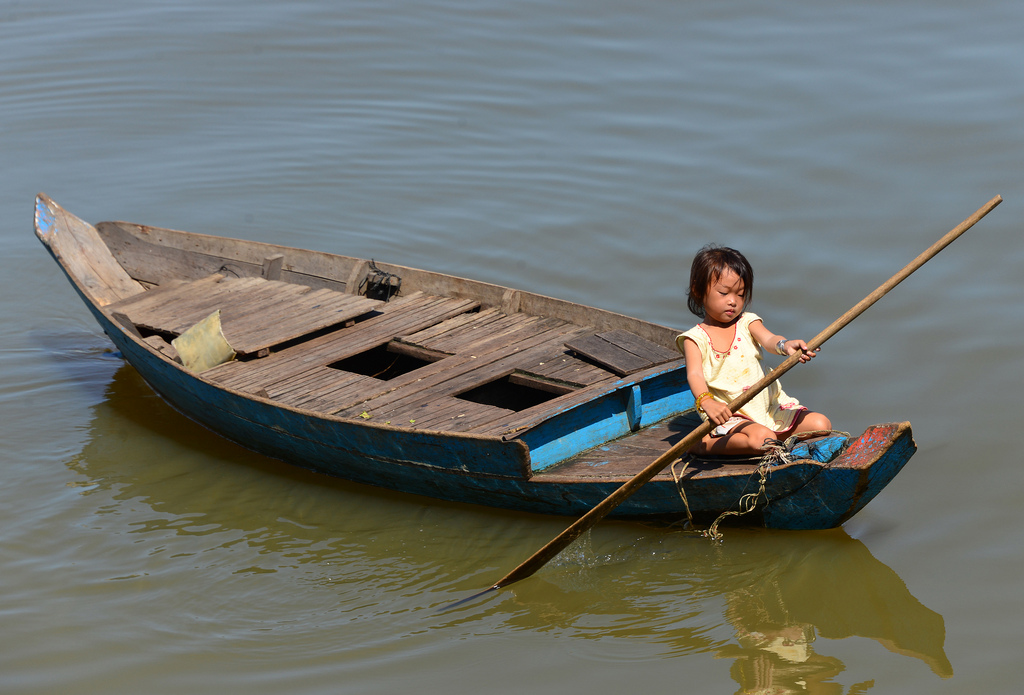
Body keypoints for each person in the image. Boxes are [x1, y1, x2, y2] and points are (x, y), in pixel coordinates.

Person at [677, 245, 831, 456]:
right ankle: (704, 445)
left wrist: (786, 346)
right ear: (698, 290)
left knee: (822, 424)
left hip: (766, 407)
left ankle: (767, 438)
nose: (733, 301)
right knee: (764, 440)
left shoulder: (747, 322)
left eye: (740, 294)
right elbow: (694, 375)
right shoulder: (695, 338)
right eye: (724, 293)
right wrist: (707, 402)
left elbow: (770, 340)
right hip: (730, 414)